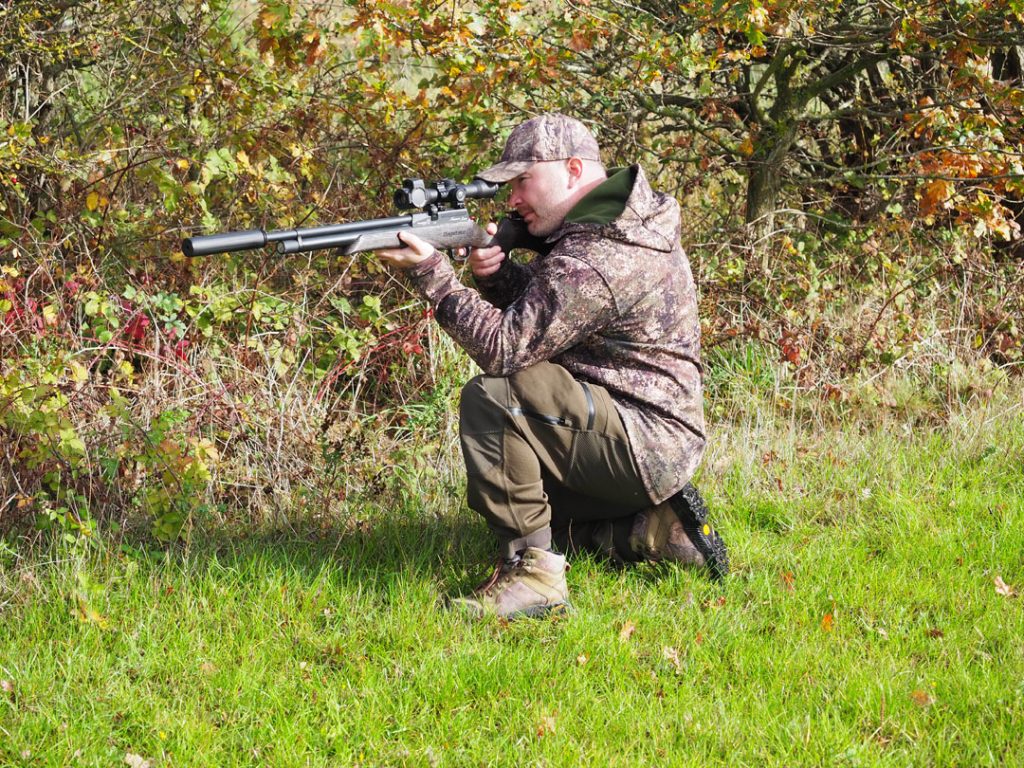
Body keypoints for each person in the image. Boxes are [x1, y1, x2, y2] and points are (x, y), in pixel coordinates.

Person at [376, 113, 728, 618]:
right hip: (646, 429)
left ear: (572, 169)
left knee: (495, 400)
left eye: (523, 180)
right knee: (525, 502)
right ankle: (648, 530)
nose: (513, 198)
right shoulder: (619, 223)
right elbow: (568, 318)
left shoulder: (597, 255)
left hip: (643, 439)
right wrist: (499, 280)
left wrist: (435, 275)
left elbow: (505, 349)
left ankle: (536, 579)